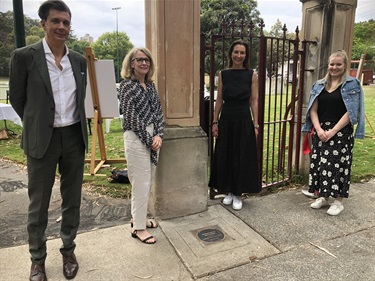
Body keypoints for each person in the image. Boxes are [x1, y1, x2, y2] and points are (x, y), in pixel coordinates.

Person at [9, 1, 88, 280]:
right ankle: (37, 259)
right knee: (38, 203)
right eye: (56, 21)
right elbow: (18, 99)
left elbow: (80, 98)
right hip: (42, 139)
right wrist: (38, 122)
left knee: (72, 200)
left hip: (74, 137)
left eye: (66, 22)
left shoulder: (78, 60)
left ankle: (68, 249)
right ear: (43, 23)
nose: (61, 27)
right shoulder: (24, 56)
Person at [302, 50, 365, 216]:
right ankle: (323, 196)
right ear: (328, 65)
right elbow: (313, 109)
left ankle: (338, 201)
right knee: (321, 164)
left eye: (338, 64)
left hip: (341, 132)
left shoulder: (352, 84)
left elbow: (352, 112)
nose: (334, 67)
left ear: (344, 65)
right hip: (321, 130)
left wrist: (333, 131)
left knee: (338, 166)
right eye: (332, 64)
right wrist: (320, 129)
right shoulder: (319, 84)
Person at [119, 47, 165, 244]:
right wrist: (149, 139)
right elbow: (131, 117)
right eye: (139, 60)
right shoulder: (126, 86)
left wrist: (159, 135)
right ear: (131, 63)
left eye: (146, 60)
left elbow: (158, 112)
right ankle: (138, 228)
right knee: (140, 183)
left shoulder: (151, 86)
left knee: (147, 181)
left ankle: (139, 218)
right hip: (137, 138)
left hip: (154, 138)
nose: (144, 63)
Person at [208, 39, 262, 210]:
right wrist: (215, 121)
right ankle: (229, 191)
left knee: (241, 155)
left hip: (244, 119)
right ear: (231, 53)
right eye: (236, 52)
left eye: (242, 53)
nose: (239, 55)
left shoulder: (251, 74)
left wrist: (256, 124)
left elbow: (254, 100)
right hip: (226, 119)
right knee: (227, 154)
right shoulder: (223, 74)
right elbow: (219, 100)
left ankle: (238, 193)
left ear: (246, 55)